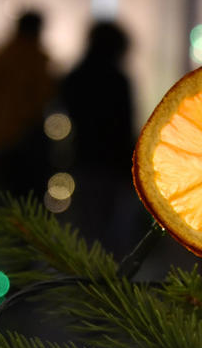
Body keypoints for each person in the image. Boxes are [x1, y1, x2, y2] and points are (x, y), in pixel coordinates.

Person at [60, 20, 144, 256]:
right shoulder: (119, 80)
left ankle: (88, 283)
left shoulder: (74, 77)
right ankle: (113, 285)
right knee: (116, 233)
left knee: (88, 229)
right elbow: (126, 125)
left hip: (84, 158)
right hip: (115, 163)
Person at [0, 10, 56, 196]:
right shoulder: (37, 59)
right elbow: (44, 96)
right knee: (32, 197)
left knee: (4, 196)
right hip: (29, 136)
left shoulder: (0, 57)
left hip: (0, 136)